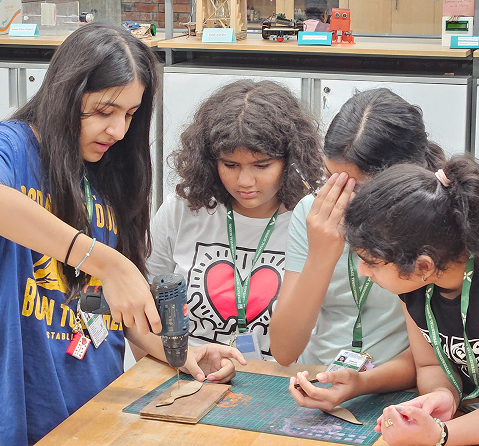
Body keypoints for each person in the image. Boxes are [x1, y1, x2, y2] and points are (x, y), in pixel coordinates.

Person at [0, 22, 244, 446]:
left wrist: (178, 351)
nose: (117, 130)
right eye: (103, 111)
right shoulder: (14, 148)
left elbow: (116, 309)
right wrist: (105, 261)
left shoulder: (109, 171)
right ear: (65, 94)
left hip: (97, 406)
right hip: (27, 411)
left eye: (130, 115)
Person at [269, 88, 446, 410]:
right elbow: (284, 350)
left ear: (403, 181)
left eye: (358, 187)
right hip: (316, 379)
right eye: (329, 178)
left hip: (395, 390)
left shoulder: (425, 218)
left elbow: (433, 359)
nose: (340, 198)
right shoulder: (314, 212)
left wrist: (361, 383)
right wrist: (322, 254)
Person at [146, 79, 323, 360]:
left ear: (291, 162)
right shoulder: (182, 210)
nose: (244, 181)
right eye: (230, 165)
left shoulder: (311, 220)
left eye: (262, 165)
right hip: (190, 371)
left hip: (278, 379)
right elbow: (144, 306)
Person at [344, 157, 479, 446]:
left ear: (423, 266)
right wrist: (442, 395)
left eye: (371, 262)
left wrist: (440, 435)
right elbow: (430, 365)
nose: (362, 270)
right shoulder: (415, 289)